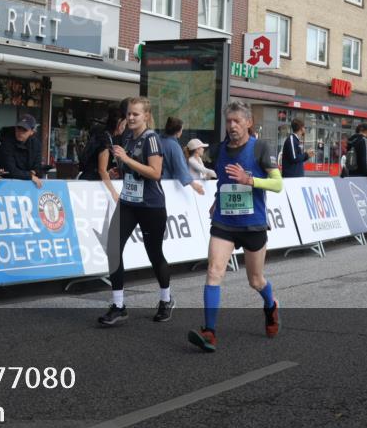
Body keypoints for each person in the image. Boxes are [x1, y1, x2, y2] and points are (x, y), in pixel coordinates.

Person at [188, 101, 282, 353]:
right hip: (224, 223)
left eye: (237, 121)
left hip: (253, 225)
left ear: (248, 123)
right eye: (228, 121)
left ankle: (271, 307)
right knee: (214, 271)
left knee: (255, 280)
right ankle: (209, 332)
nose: (232, 126)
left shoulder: (260, 148)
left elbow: (277, 184)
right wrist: (218, 200)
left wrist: (249, 179)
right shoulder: (218, 150)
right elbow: (223, 180)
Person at [99, 97, 172, 326]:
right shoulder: (128, 137)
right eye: (129, 114)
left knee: (154, 254)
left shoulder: (152, 139)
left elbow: (155, 172)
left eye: (136, 114)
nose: (130, 118)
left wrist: (127, 160)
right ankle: (119, 305)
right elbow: (128, 166)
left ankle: (165, 299)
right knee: (112, 247)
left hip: (151, 205)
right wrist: (117, 170)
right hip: (129, 202)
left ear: (146, 117)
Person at [160, 117, 205, 196]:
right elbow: (180, 167)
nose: (182, 132)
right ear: (177, 132)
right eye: (181, 130)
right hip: (167, 184)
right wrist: (193, 184)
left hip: (154, 182)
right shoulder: (174, 146)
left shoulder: (158, 140)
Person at [0, 114, 43, 188]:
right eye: (18, 128)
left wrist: (32, 173)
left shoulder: (36, 144)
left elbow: (38, 168)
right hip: (5, 186)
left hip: (28, 188)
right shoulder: (6, 144)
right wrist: (30, 175)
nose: (20, 132)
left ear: (32, 131)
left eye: (24, 130)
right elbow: (10, 170)